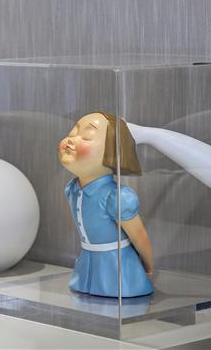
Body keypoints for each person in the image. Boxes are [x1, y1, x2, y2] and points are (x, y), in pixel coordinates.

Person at [58, 111, 154, 298]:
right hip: (86, 262)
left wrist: (148, 264)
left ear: (112, 153)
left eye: (86, 137)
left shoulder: (117, 197)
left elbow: (139, 236)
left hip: (117, 269)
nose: (71, 140)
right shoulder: (72, 189)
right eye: (71, 134)